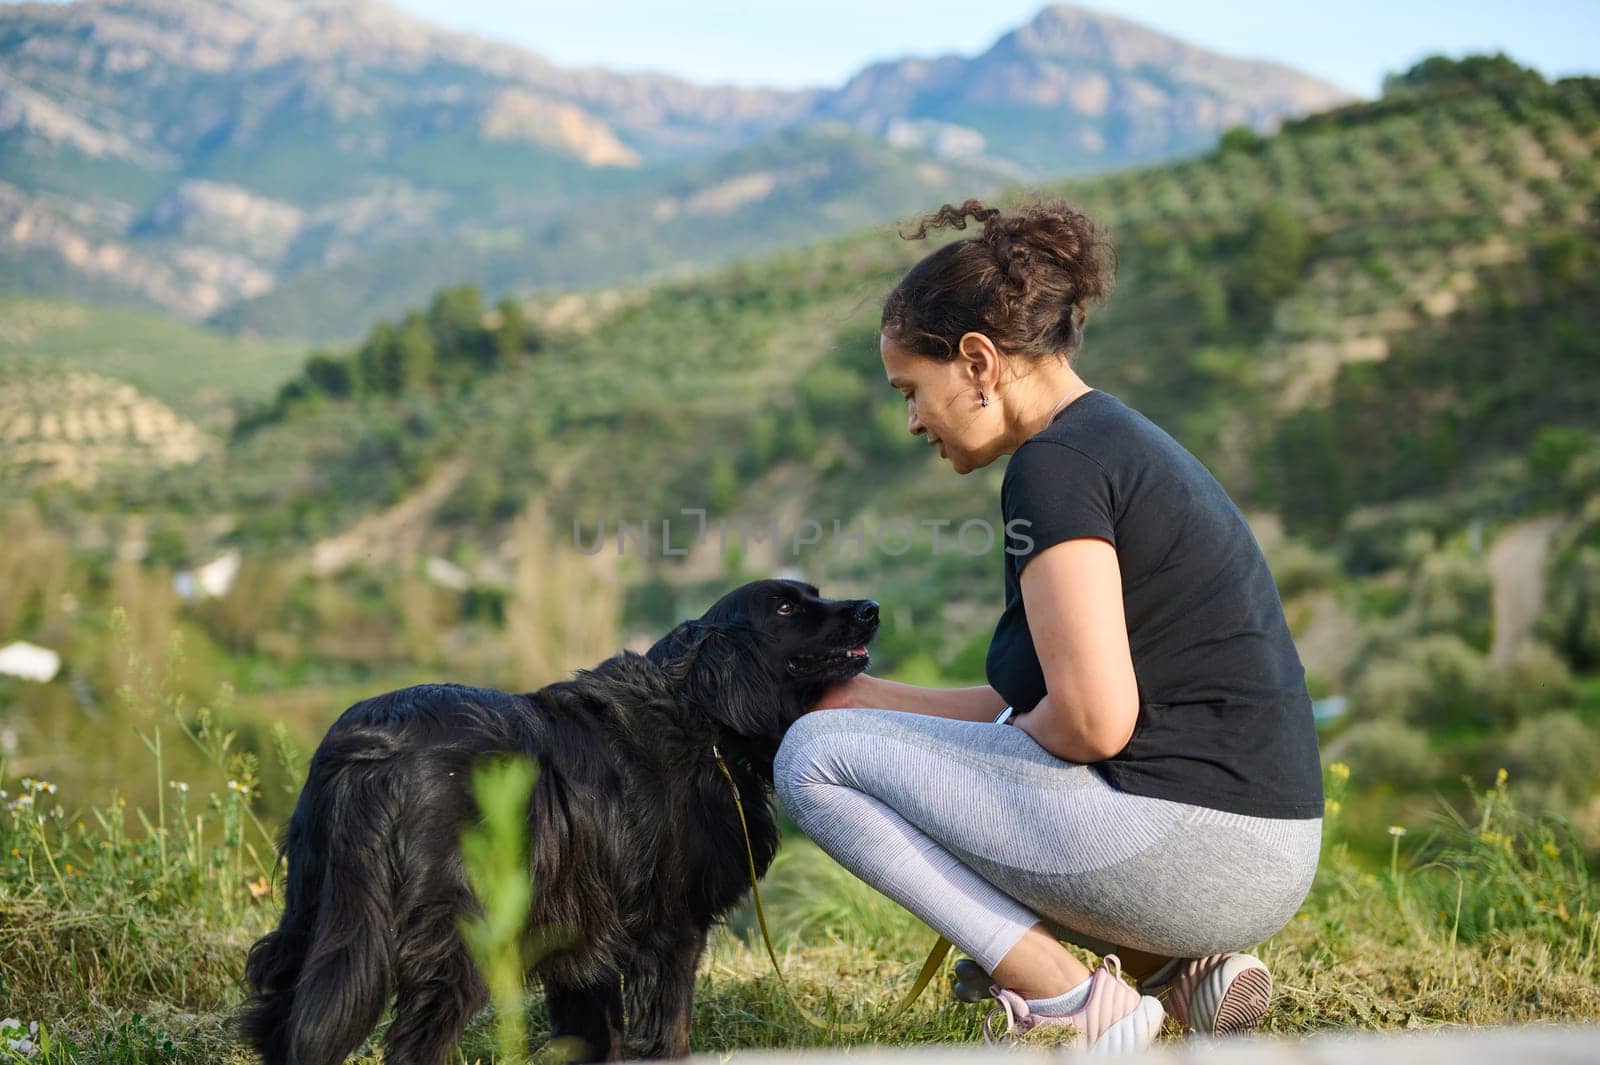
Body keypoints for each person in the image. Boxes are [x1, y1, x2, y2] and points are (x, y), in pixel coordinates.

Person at [771, 198, 1325, 1052]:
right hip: (1263, 847)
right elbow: (1018, 697)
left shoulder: (1054, 470)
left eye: (912, 392)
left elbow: (1094, 721)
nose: (914, 421)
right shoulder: (1107, 442)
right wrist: (864, 699)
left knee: (812, 762)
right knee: (849, 734)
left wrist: (904, 743)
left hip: (1198, 850)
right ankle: (1173, 973)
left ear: (979, 360)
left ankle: (1073, 997)